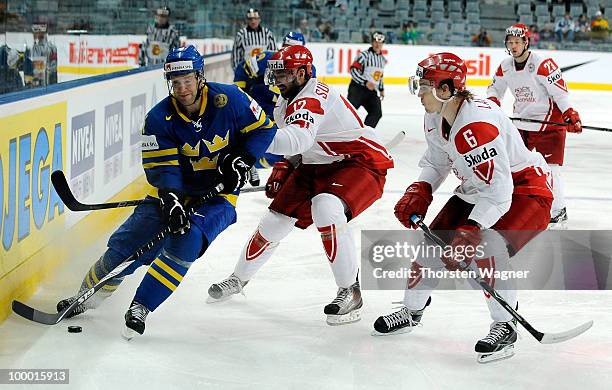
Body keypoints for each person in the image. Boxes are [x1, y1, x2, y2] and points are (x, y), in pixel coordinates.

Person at [56, 45, 276, 339]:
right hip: (175, 192)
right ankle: (87, 296)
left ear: (200, 77)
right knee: (126, 247)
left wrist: (245, 158)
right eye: (175, 82)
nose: (182, 89)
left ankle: (141, 306)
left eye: (187, 80)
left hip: (218, 198)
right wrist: (171, 200)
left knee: (187, 239)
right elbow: (163, 169)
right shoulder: (158, 119)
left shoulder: (231, 100)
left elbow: (265, 129)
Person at [372, 52, 553, 364]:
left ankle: (505, 325)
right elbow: (437, 161)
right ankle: (412, 310)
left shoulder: (476, 127)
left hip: (525, 191)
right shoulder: (435, 114)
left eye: (425, 86)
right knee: (431, 247)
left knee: (488, 248)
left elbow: (499, 193)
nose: (419, 92)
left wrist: (471, 230)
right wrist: (422, 189)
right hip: (479, 188)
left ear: (446, 89)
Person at [207, 45, 394, 326]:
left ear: (302, 73)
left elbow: (297, 140)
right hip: (316, 163)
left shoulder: (311, 99)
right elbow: (298, 148)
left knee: (326, 207)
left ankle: (350, 291)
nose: (277, 79)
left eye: (283, 74)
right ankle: (238, 278)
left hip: (357, 162)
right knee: (273, 222)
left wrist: (246, 143)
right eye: (276, 73)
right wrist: (284, 167)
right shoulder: (286, 101)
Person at [487, 24, 582, 228]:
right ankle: (514, 206)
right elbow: (495, 89)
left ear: (526, 42)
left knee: (551, 169)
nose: (513, 46)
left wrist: (569, 113)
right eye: (510, 42)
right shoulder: (505, 66)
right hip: (521, 124)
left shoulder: (542, 64)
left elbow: (560, 92)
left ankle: (558, 211)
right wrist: (493, 104)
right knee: (514, 166)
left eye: (517, 42)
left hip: (549, 124)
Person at [233, 31, 317, 183]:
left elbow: (307, 98)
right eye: (286, 47)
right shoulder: (265, 59)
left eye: (294, 50)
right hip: (258, 111)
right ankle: (246, 159)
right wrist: (241, 97)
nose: (288, 52)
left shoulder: (309, 71)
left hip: (282, 116)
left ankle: (252, 162)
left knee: (284, 151)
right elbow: (242, 70)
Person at [348, 31, 387, 128]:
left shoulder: (382, 59)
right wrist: (365, 82)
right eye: (375, 42)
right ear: (372, 42)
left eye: (380, 42)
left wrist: (381, 89)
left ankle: (364, 135)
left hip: (371, 91)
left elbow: (379, 76)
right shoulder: (364, 55)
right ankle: (340, 134)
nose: (378, 44)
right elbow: (353, 70)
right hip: (357, 89)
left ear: (383, 44)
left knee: (376, 113)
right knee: (348, 114)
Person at [24, 23, 57, 88]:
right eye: (34, 31)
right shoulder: (31, 48)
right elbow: (28, 68)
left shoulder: (51, 48)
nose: (34, 34)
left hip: (45, 83)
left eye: (37, 31)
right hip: (36, 83)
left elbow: (53, 68)